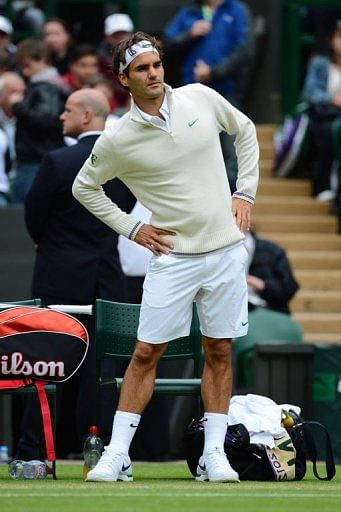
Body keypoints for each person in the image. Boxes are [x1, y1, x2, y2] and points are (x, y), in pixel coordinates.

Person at [72, 31, 259, 483]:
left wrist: (245, 193)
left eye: (156, 65)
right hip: (174, 257)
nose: (153, 74)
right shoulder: (116, 137)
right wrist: (134, 228)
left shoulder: (200, 96)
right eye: (142, 69)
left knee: (218, 349)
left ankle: (214, 456)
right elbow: (84, 187)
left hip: (225, 251)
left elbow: (246, 130)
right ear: (124, 79)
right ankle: (116, 455)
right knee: (145, 352)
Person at [17, 89, 136, 460]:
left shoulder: (57, 161)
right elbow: (124, 211)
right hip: (105, 276)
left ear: (87, 116)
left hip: (58, 275)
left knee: (45, 360)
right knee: (103, 367)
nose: (60, 116)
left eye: (67, 110)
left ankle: (36, 449)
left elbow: (34, 216)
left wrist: (52, 243)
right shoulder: (124, 165)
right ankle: (101, 450)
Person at [162, 0, 254, 191]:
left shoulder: (236, 10)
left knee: (231, 153)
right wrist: (189, 34)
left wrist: (214, 72)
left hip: (227, 92)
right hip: (190, 96)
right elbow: (165, 45)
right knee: (189, 150)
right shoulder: (189, 12)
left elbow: (245, 50)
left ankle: (233, 212)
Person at [10, 38, 67, 203]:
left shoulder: (46, 87)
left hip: (35, 161)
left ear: (41, 59)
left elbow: (45, 118)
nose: (25, 72)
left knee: (22, 216)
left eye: (27, 66)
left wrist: (17, 106)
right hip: (40, 160)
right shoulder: (50, 85)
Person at [303, 20, 341, 202]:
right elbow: (310, 91)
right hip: (324, 115)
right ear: (332, 39)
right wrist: (332, 99)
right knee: (326, 134)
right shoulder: (320, 63)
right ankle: (323, 185)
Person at [244, 230, 299, 314]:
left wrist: (262, 285)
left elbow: (289, 288)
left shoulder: (271, 251)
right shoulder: (219, 251)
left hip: (268, 311)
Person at [97, 13, 134, 115]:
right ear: (107, 37)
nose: (120, 38)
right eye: (115, 34)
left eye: (124, 33)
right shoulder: (98, 60)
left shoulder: (141, 57)